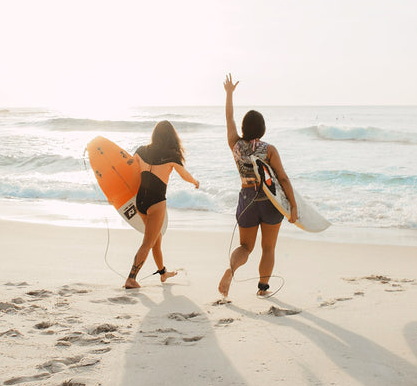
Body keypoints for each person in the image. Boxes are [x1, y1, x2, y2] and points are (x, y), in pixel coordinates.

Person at [218, 74, 298, 298]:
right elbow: (282, 178)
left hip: (247, 200)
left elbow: (228, 118)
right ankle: (263, 289)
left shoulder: (235, 144)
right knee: (268, 248)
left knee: (245, 247)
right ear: (263, 129)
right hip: (270, 201)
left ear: (244, 128)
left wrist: (229, 94)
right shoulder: (269, 149)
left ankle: (231, 271)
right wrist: (293, 206)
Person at [125, 120, 200, 289]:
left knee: (156, 239)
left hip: (141, 201)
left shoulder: (141, 150)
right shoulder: (171, 155)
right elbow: (185, 175)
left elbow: (128, 167)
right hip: (156, 202)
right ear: (171, 136)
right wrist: (195, 182)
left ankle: (163, 273)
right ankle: (131, 278)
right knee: (148, 242)